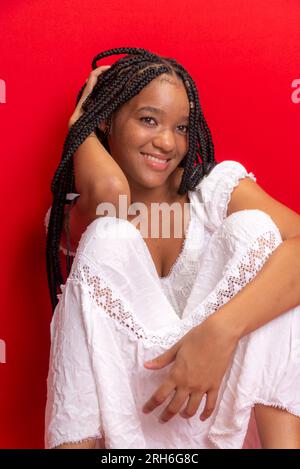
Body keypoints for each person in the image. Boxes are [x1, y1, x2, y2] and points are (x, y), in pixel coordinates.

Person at [44, 47, 300, 449]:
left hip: (218, 418)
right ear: (107, 120)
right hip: (132, 432)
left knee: (257, 232)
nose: (166, 142)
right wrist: (81, 124)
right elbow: (112, 194)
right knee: (108, 237)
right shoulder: (79, 217)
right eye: (149, 120)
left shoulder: (210, 190)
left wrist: (219, 332)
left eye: (181, 127)